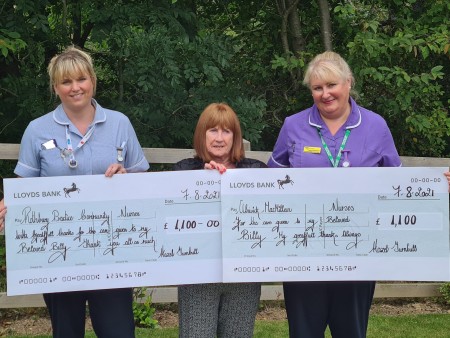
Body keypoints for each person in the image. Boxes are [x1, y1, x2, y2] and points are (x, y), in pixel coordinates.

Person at [267, 50, 450, 338]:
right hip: (303, 254)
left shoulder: (376, 126)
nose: (325, 94)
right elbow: (269, 179)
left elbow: (398, 185)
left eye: (332, 85)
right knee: (303, 333)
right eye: (317, 88)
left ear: (348, 83)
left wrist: (437, 186)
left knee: (351, 332)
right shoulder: (293, 125)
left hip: (359, 253)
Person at [0, 46, 149, 338]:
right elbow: (24, 184)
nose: (75, 87)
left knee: (118, 331)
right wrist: (7, 202)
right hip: (57, 254)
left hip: (112, 252)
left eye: (81, 79)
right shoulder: (37, 129)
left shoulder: (119, 123)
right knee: (66, 332)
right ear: (55, 87)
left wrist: (126, 175)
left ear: (92, 80)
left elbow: (143, 178)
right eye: (66, 82)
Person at [173, 102, 266, 338]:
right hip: (198, 278)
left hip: (243, 278)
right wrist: (203, 179)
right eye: (213, 130)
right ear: (201, 135)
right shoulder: (184, 171)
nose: (219, 138)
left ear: (235, 137)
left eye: (226, 131)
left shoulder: (256, 172)